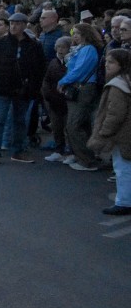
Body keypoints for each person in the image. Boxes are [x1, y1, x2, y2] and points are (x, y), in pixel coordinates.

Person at [0, 12, 46, 165]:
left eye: (17, 23)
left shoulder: (33, 45)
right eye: (11, 23)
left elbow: (40, 67)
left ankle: (18, 150)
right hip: (3, 88)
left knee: (20, 120)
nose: (13, 26)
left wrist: (33, 87)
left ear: (24, 25)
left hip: (23, 88)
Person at [88, 49, 131, 215]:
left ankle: (124, 202)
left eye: (111, 62)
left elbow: (115, 114)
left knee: (122, 168)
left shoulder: (118, 85)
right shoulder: (125, 81)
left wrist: (104, 132)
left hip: (122, 134)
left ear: (122, 64)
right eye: (106, 61)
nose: (107, 65)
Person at [59, 22, 105, 171]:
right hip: (79, 87)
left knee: (74, 125)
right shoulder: (81, 49)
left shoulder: (88, 49)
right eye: (74, 33)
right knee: (81, 124)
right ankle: (81, 155)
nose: (75, 36)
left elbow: (79, 70)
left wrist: (63, 81)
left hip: (83, 88)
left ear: (86, 34)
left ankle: (86, 159)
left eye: (78, 33)